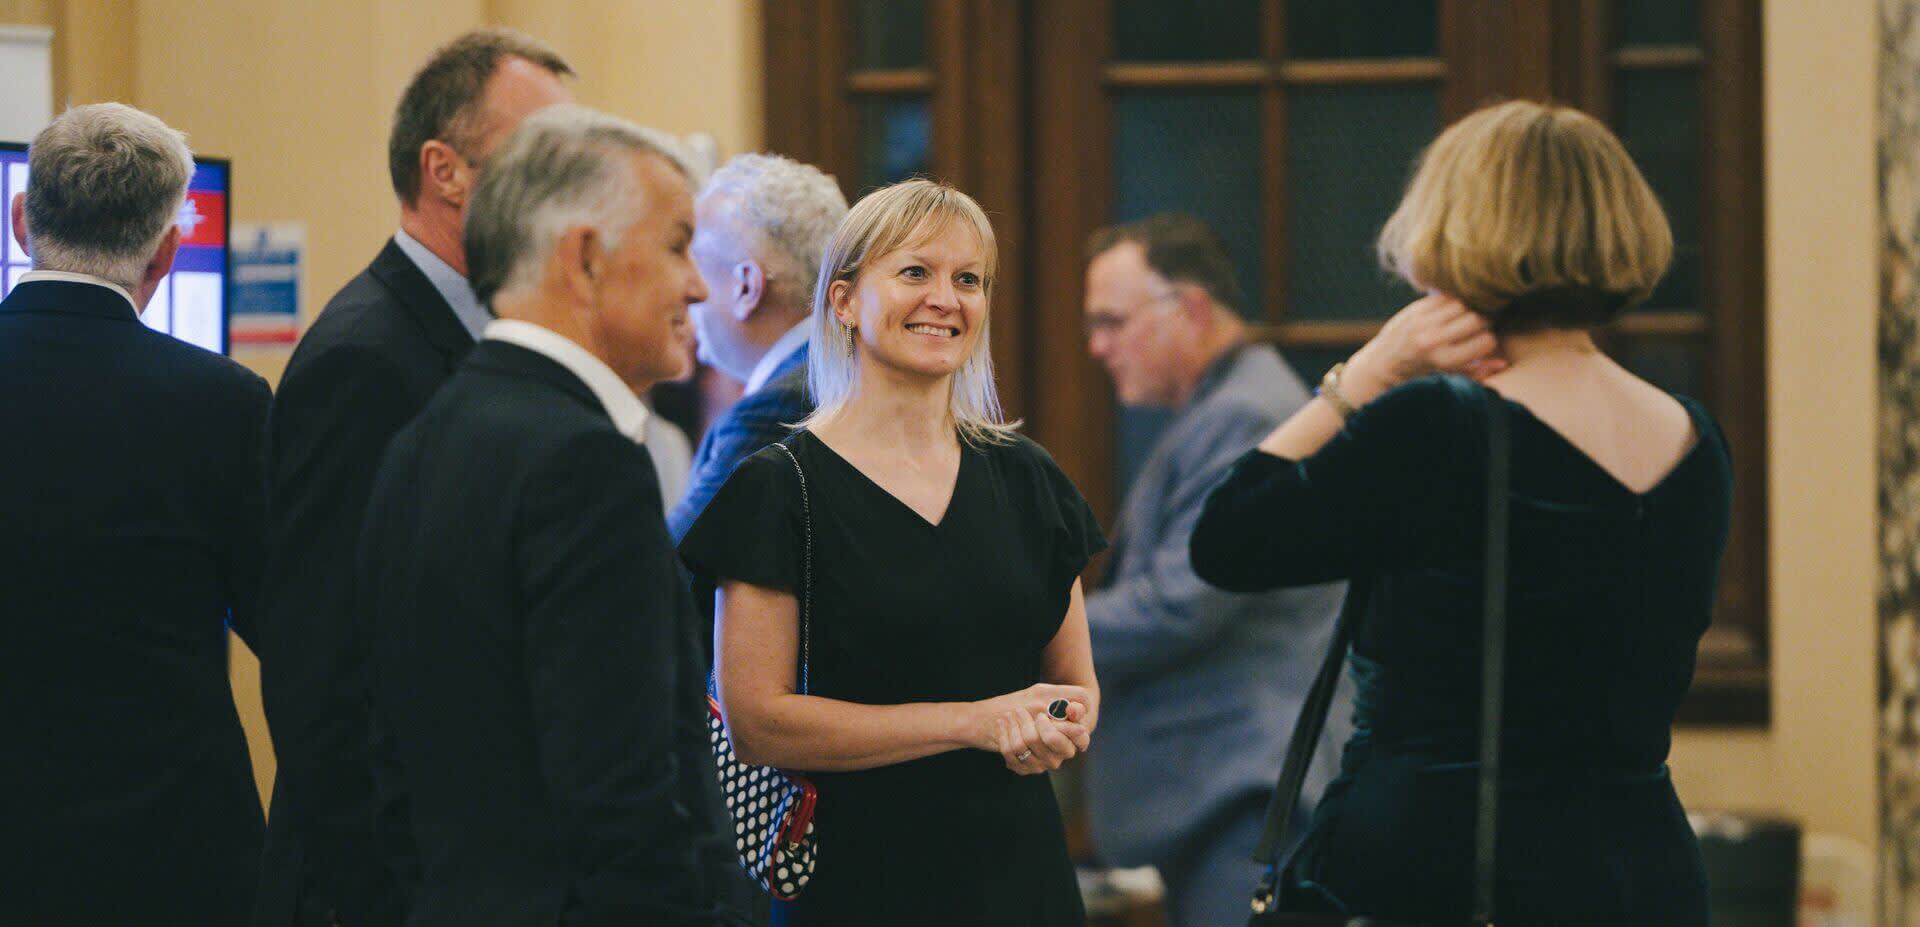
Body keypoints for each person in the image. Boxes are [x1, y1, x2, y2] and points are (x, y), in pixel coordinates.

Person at [1189, 99, 1725, 925]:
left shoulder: (1439, 423)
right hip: (1640, 870)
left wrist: (1364, 373)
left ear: (1456, 229)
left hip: (1441, 867)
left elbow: (1227, 537)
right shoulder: (1697, 439)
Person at [359, 104, 746, 926]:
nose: (699, 284)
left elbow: (390, 768)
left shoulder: (420, 441)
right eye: (677, 244)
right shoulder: (586, 464)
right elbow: (625, 797)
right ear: (585, 259)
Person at [680, 179, 1104, 926]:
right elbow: (757, 721)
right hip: (858, 882)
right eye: (915, 272)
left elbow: (1075, 687)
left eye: (967, 279)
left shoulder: (1028, 478)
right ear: (843, 301)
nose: (946, 297)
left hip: (1021, 878)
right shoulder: (780, 488)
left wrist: (1059, 725)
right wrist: (972, 722)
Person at [254, 29, 572, 927]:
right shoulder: (365, 358)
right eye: (542, 158)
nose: (569, 189)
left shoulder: (489, 332)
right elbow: (323, 671)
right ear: (446, 171)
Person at [0, 103, 270, 926]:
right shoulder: (224, 403)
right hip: (172, 852)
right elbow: (285, 618)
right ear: (167, 249)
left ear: (19, 223)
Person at [1079, 213, 1348, 927]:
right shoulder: (1229, 403)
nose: (1096, 345)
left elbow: (1181, 605)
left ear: (1191, 308)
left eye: (1111, 320)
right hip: (1232, 796)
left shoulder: (1245, 414)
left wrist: (1032, 623)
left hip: (1248, 801)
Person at [668, 152, 847, 542]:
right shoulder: (846, 374)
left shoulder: (774, 412)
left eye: (693, 262)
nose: (688, 288)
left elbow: (668, 577)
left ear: (746, 287)